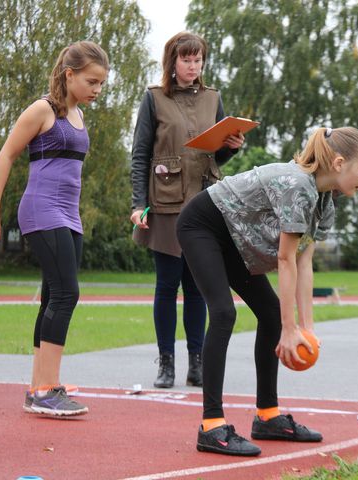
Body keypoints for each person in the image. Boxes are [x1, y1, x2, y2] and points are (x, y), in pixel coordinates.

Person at [177, 127, 358, 456]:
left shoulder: (325, 200)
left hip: (232, 237)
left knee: (269, 314)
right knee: (224, 313)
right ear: (339, 163)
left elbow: (304, 262)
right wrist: (289, 328)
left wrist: (306, 328)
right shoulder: (298, 186)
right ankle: (211, 426)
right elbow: (285, 259)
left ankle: (267, 416)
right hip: (202, 225)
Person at [0, 41, 109, 416]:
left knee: (53, 296)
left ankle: (38, 387)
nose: (97, 89)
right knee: (67, 294)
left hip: (69, 215)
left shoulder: (78, 115)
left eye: (101, 83)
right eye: (92, 81)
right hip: (41, 210)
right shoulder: (42, 109)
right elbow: (6, 155)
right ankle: (47, 390)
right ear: (70, 75)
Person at [129, 32, 244, 389]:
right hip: (165, 204)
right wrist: (138, 204)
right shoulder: (154, 98)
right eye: (187, 60)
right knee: (167, 286)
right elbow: (140, 155)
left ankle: (197, 363)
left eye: (198, 60)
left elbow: (216, 156)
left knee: (197, 288)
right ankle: (166, 364)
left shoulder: (213, 99)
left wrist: (231, 148)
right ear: (172, 62)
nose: (193, 66)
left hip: (204, 204)